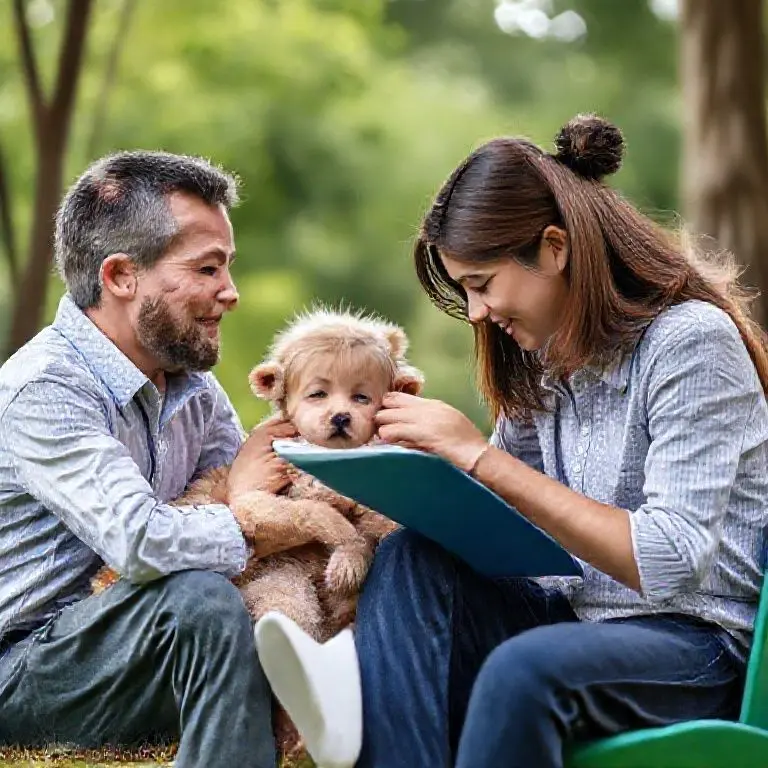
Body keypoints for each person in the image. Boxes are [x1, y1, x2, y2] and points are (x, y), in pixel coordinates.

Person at [256, 114, 768, 768]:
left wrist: (478, 455)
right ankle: (356, 683)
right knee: (412, 557)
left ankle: (352, 684)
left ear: (554, 248)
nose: (476, 313)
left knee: (523, 669)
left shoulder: (690, 343)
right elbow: (505, 534)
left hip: (695, 646)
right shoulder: (548, 368)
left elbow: (668, 561)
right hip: (576, 620)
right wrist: (418, 474)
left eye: (481, 284)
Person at [0, 151, 296, 768]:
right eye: (207, 269)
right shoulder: (46, 388)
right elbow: (140, 542)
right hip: (25, 663)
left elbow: (258, 500)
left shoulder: (192, 389)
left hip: (132, 643)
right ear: (120, 276)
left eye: (228, 267)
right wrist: (247, 510)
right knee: (202, 603)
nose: (230, 292)